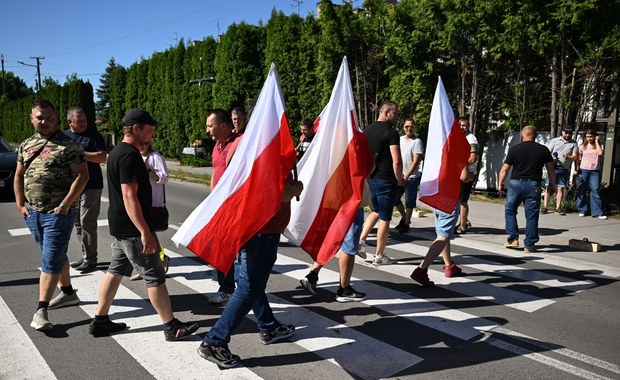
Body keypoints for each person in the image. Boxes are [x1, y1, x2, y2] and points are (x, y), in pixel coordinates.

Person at [89, 108, 199, 341]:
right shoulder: (129, 156)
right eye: (149, 130)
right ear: (136, 129)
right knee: (155, 275)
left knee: (116, 271)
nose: (153, 135)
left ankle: (100, 321)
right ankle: (171, 327)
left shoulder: (117, 151)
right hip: (132, 229)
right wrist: (144, 232)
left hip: (120, 226)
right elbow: (130, 196)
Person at [197, 162, 303, 368]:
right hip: (262, 232)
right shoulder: (269, 151)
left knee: (253, 284)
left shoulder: (257, 147)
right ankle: (214, 341)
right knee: (248, 287)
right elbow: (279, 193)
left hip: (258, 230)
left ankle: (268, 326)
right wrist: (296, 188)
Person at [14, 100, 89, 331]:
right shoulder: (27, 144)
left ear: (56, 119)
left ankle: (40, 310)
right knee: (54, 255)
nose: (44, 122)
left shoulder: (69, 145)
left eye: (49, 117)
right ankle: (67, 293)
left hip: (58, 213)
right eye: (39, 117)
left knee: (50, 260)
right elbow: (19, 175)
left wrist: (65, 205)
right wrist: (20, 205)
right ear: (32, 119)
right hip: (33, 212)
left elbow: (82, 176)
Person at [359, 101, 406, 265]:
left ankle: (361, 241)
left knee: (376, 210)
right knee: (385, 217)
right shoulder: (391, 132)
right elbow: (397, 160)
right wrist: (400, 178)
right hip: (386, 179)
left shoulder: (367, 130)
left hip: (371, 178)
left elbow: (362, 156)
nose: (397, 117)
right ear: (386, 113)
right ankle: (379, 256)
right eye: (395, 113)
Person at [498, 126, 556, 253]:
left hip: (515, 184)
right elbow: (551, 169)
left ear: (522, 135)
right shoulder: (543, 150)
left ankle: (513, 238)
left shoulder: (515, 149)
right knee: (531, 216)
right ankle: (529, 245)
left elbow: (505, 169)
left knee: (510, 210)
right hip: (533, 185)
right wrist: (552, 185)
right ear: (535, 136)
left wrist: (500, 184)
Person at [64, 107, 107, 273]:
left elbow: (102, 157)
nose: (82, 123)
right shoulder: (64, 136)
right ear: (69, 122)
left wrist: (81, 153)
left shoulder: (94, 135)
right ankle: (85, 256)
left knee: (87, 222)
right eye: (78, 121)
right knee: (77, 223)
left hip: (91, 185)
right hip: (72, 186)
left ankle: (91, 260)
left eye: (84, 120)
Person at [410, 167, 469, 287]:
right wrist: (471, 175)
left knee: (442, 234)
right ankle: (421, 269)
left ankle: (449, 266)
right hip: (450, 197)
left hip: (437, 194)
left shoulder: (440, 152)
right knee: (443, 236)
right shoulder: (458, 154)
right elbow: (464, 177)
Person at [205, 109, 240, 304]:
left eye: (210, 125)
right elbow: (215, 172)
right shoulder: (217, 145)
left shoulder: (238, 143)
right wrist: (212, 200)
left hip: (234, 206)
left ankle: (242, 289)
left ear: (223, 126)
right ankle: (226, 287)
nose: (207, 130)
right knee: (221, 248)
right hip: (219, 206)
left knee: (239, 250)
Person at [130, 141, 171, 280]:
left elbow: (164, 178)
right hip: (138, 200)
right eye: (139, 144)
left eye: (144, 144)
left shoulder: (155, 157)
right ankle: (156, 262)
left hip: (152, 202)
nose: (141, 146)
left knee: (145, 233)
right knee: (145, 233)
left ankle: (151, 265)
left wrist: (147, 170)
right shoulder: (134, 156)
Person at [394, 118, 424, 234]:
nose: (409, 129)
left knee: (409, 201)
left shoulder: (417, 142)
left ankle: (406, 223)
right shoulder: (400, 140)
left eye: (411, 126)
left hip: (411, 177)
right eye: (406, 126)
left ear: (414, 127)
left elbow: (416, 161)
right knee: (395, 198)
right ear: (403, 127)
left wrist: (406, 176)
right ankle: (404, 217)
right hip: (399, 175)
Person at [542, 126, 578, 215]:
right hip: (552, 168)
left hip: (564, 168)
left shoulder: (574, 143)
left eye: (570, 133)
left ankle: (558, 208)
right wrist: (552, 157)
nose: (568, 134)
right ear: (562, 132)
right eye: (566, 132)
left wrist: (568, 157)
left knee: (560, 188)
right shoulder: (555, 141)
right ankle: (545, 207)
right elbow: (548, 152)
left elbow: (575, 156)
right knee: (548, 188)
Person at [576, 130, 607, 220]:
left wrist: (597, 141)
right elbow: (578, 159)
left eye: (591, 136)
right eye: (587, 137)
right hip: (584, 170)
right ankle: (582, 210)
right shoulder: (582, 147)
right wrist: (576, 170)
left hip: (595, 171)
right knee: (581, 189)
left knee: (595, 190)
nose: (589, 138)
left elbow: (600, 153)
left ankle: (597, 212)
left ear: (595, 136)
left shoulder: (599, 145)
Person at [455, 116, 479, 234]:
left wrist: (462, 165)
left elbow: (473, 158)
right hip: (459, 172)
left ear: (468, 126)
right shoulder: (458, 137)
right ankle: (463, 220)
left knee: (463, 200)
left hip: (468, 173)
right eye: (460, 125)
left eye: (464, 125)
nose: (462, 128)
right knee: (458, 199)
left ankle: (462, 226)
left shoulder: (471, 139)